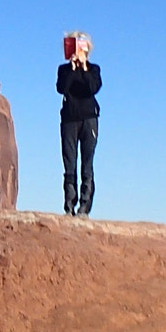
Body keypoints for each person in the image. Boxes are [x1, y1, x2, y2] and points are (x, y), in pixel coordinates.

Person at [57, 31, 101, 216]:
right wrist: (73, 68)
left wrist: (83, 67)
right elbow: (62, 88)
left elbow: (93, 88)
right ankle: (69, 206)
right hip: (69, 120)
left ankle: (84, 207)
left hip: (89, 119)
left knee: (87, 163)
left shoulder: (93, 69)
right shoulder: (64, 70)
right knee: (69, 163)